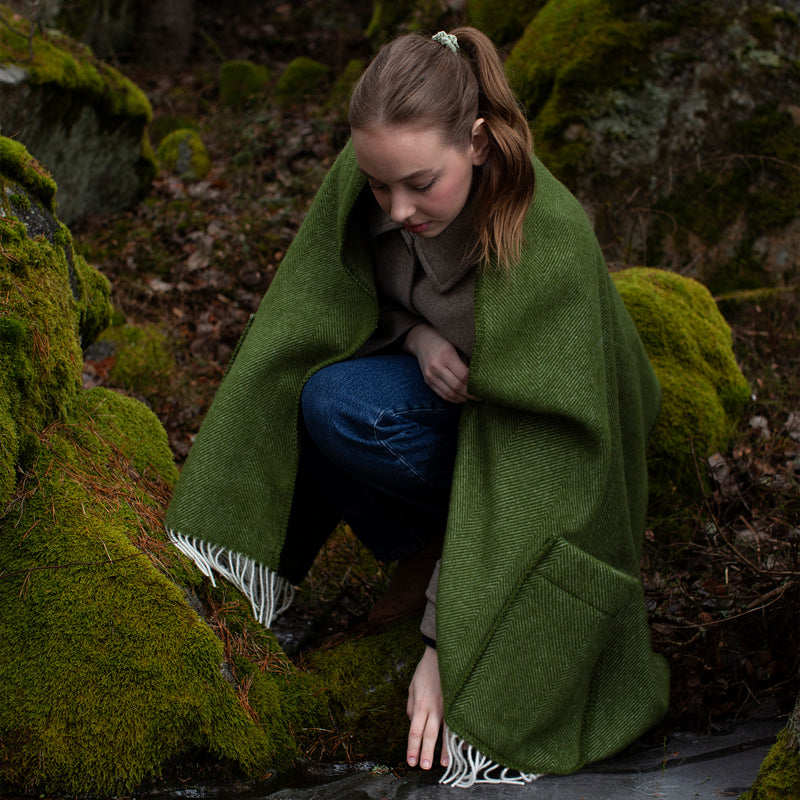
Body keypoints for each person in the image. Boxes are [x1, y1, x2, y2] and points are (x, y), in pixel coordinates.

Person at [166, 27, 670, 788]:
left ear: (475, 141)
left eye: (419, 184)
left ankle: (443, 562)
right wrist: (419, 336)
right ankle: (405, 547)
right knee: (328, 398)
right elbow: (328, 311)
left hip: (545, 444)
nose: (397, 208)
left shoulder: (545, 239)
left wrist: (444, 646)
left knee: (362, 416)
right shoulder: (380, 176)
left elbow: (545, 469)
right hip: (450, 408)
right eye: (378, 186)